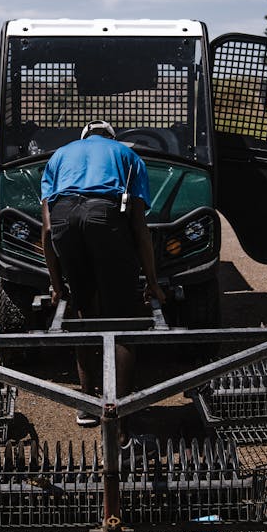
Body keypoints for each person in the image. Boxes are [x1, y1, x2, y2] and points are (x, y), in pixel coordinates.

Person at [40, 120, 166, 430]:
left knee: (85, 312)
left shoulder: (58, 156)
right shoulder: (127, 155)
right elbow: (139, 225)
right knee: (123, 316)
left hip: (64, 219)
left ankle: (86, 405)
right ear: (111, 137)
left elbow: (46, 230)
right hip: (105, 217)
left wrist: (57, 285)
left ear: (82, 138)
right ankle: (120, 410)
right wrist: (152, 282)